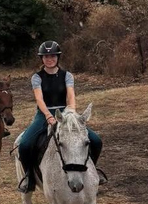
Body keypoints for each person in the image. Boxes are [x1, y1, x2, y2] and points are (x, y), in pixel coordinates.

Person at [17, 41, 104, 193]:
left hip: (66, 113)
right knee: (24, 145)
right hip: (44, 114)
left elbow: (71, 95)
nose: (49, 59)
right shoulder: (37, 77)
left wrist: (71, 111)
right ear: (42, 58)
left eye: (52, 56)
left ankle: (92, 171)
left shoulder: (67, 75)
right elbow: (39, 99)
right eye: (46, 56)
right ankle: (29, 177)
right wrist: (48, 116)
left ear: (58, 57)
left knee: (96, 141)